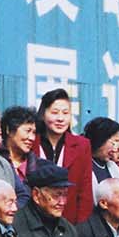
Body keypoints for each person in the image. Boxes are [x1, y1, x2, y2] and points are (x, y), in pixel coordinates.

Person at [34, 88, 93, 223]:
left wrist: (80, 228)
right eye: (54, 113)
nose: (60, 118)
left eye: (66, 113)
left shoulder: (82, 145)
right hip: (35, 219)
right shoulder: (31, 142)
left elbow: (85, 191)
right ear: (43, 114)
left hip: (68, 221)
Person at [82, 116, 119, 199]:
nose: (116, 148)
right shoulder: (80, 165)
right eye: (114, 141)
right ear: (100, 139)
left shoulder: (113, 167)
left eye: (118, 142)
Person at [1, 105, 42, 183]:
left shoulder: (40, 166)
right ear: (9, 130)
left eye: (34, 133)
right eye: (27, 131)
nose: (32, 138)